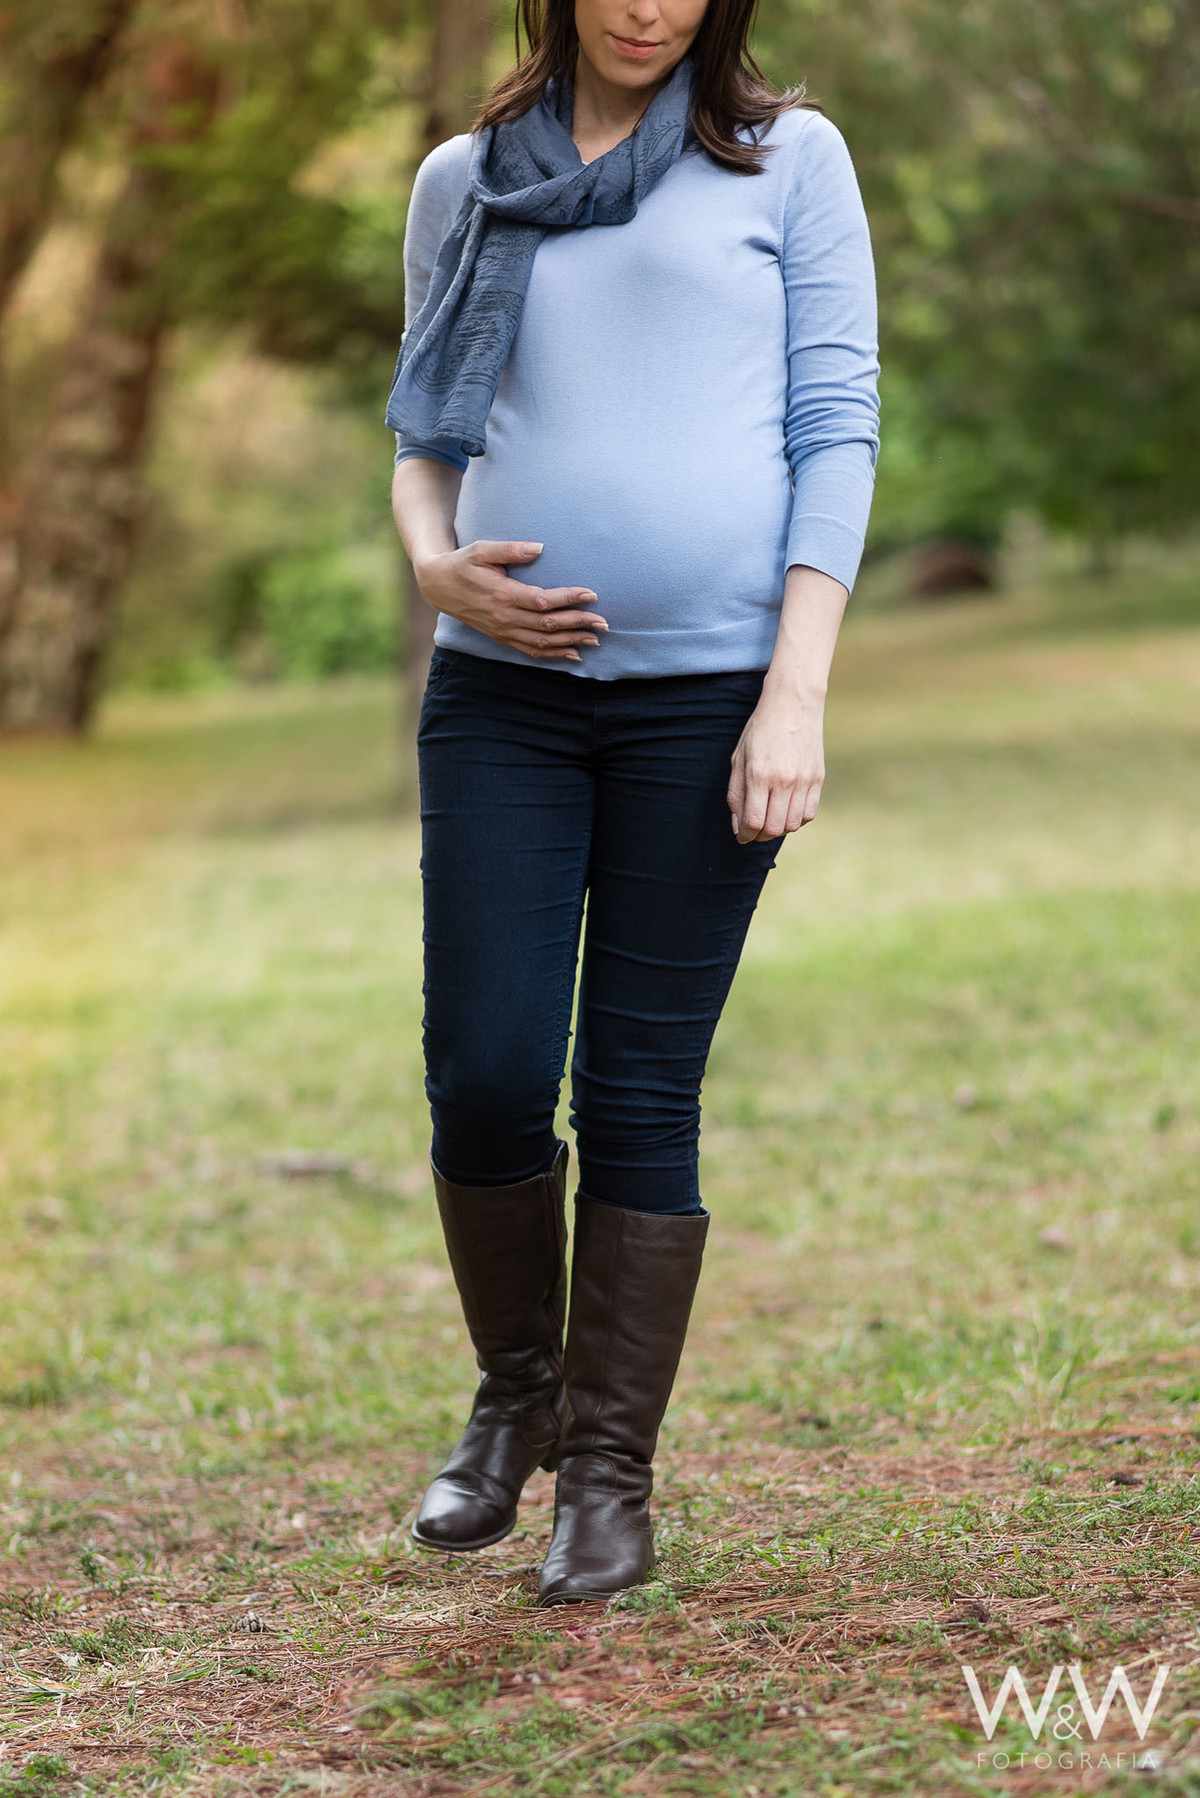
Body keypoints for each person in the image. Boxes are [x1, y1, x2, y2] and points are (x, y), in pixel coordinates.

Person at [387, 0, 880, 1606]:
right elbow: (419, 440)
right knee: (487, 1066)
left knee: (640, 1092)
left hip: (708, 706)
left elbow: (836, 428)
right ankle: (513, 1394)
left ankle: (607, 1475)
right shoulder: (466, 178)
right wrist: (433, 563)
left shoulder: (788, 160)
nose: (649, 2)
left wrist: (792, 691)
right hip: (501, 701)